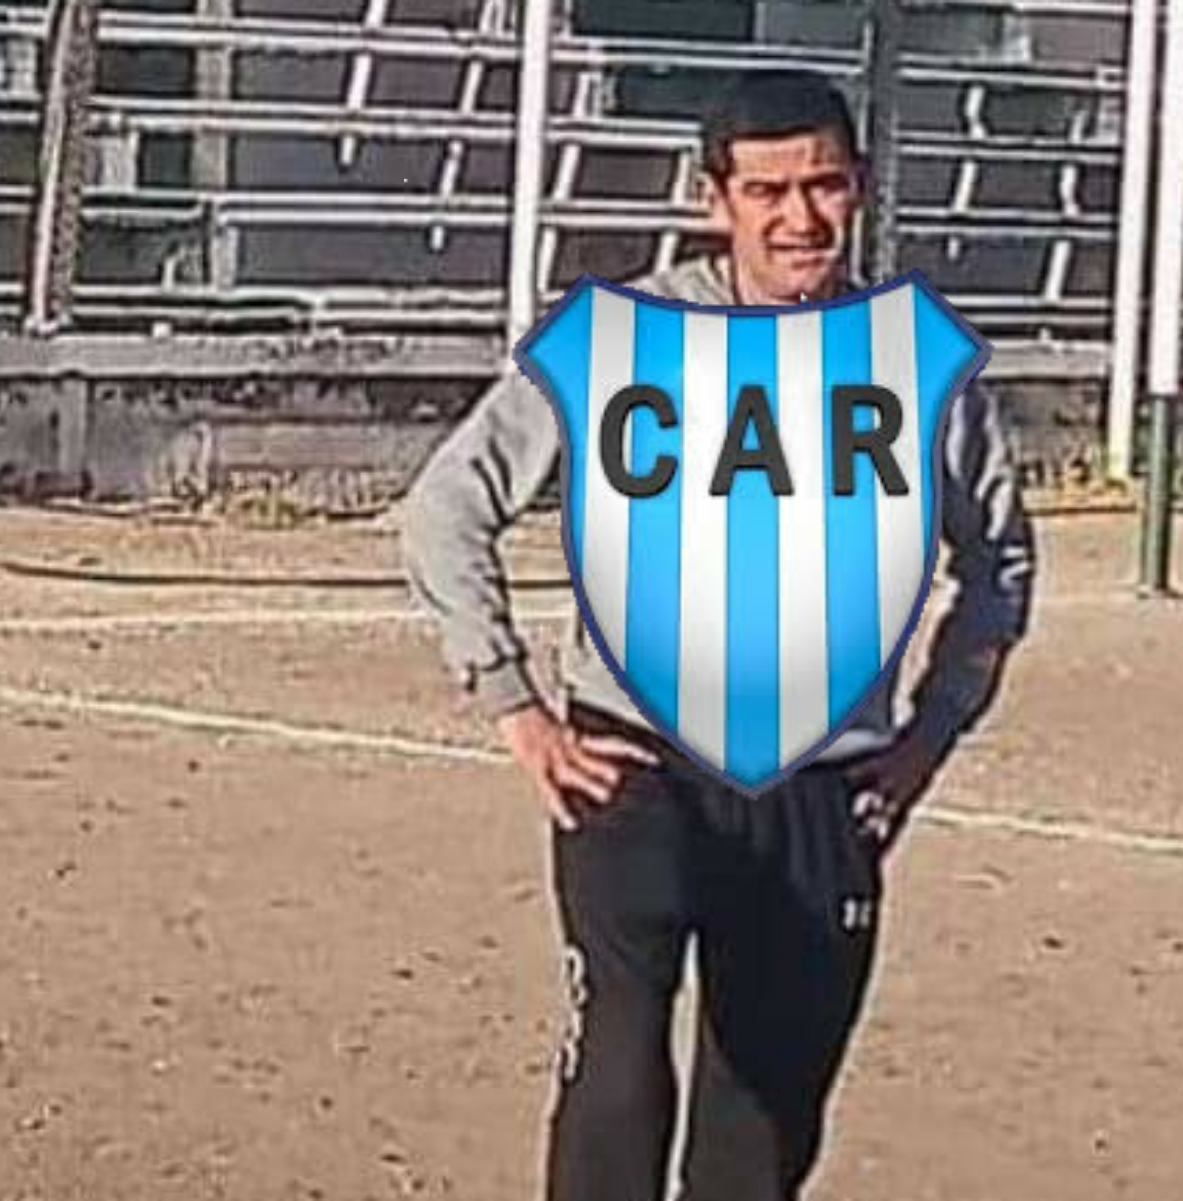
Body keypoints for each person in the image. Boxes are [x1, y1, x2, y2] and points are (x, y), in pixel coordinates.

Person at [401, 70, 1034, 1201]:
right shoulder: (617, 340)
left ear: (860, 187)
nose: (799, 218)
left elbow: (999, 563)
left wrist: (931, 731)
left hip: (826, 786)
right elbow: (447, 507)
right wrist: (514, 704)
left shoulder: (917, 360)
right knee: (616, 1064)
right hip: (631, 765)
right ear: (715, 199)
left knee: (764, 1117)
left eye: (823, 186)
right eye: (767, 192)